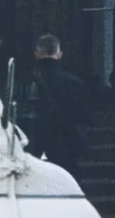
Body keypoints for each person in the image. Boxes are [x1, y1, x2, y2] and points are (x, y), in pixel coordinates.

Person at [22, 34, 88, 171]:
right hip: (66, 145)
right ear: (59, 55)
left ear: (37, 54)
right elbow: (83, 118)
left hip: (34, 143)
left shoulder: (25, 82)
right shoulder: (75, 83)